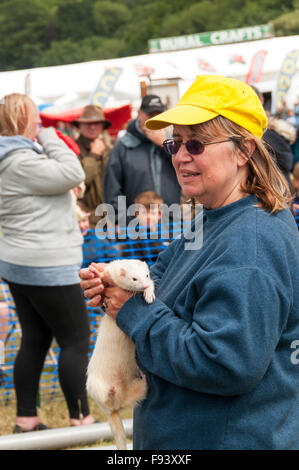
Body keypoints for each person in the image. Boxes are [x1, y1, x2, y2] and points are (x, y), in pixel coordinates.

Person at [80, 75, 299, 450]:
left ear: (244, 151)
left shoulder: (251, 242)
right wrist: (115, 284)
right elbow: (162, 288)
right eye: (176, 143)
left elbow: (226, 363)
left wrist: (133, 312)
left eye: (196, 144)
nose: (181, 156)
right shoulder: (216, 219)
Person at [0, 93, 97, 432]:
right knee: (75, 340)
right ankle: (82, 419)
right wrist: (50, 136)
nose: (41, 124)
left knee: (35, 339)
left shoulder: (12, 158)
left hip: (18, 264)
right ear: (23, 122)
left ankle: (26, 421)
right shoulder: (21, 160)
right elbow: (72, 171)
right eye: (36, 120)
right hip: (48, 265)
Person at [103, 94, 181, 225]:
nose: (154, 120)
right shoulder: (123, 146)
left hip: (171, 223)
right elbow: (112, 186)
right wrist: (119, 220)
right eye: (150, 115)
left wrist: (164, 144)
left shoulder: (172, 143)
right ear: (139, 114)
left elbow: (187, 168)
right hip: (136, 226)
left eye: (159, 115)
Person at [73, 105, 113, 228]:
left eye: (96, 123)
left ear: (102, 126)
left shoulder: (109, 150)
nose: (92, 127)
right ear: (79, 126)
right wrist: (94, 155)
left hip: (111, 219)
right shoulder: (72, 149)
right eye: (87, 123)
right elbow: (79, 181)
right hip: (86, 221)